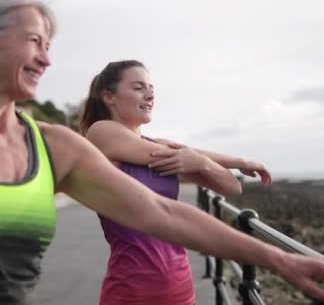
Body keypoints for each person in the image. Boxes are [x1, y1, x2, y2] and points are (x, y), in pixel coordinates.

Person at [0, 0, 324, 305]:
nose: (46, 58)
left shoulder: (56, 147)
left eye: (50, 46)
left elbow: (162, 211)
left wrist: (279, 259)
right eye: (35, 41)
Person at [81, 60, 274, 304]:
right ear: (109, 97)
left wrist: (220, 162)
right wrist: (206, 160)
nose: (150, 95)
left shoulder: (157, 145)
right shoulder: (101, 132)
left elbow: (232, 187)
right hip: (132, 289)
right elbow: (177, 153)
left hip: (179, 284)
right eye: (139, 87)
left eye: (152, 88)